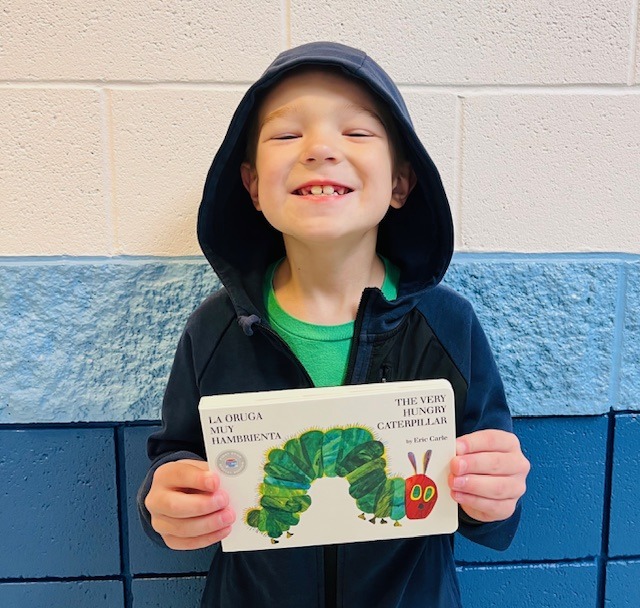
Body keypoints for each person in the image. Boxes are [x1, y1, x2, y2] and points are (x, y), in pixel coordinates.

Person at [138, 41, 530, 607]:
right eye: (286, 134)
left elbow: (489, 513)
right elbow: (175, 455)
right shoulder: (213, 328)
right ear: (251, 184)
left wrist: (494, 495)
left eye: (357, 133)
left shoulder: (448, 324)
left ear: (400, 182)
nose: (320, 148)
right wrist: (166, 500)